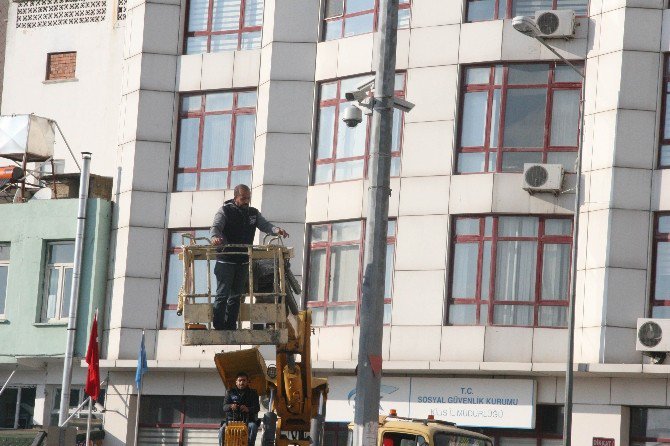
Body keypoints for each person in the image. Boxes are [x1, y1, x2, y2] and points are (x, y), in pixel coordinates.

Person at [210, 184, 289, 330]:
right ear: (235, 198)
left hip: (243, 260)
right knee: (222, 294)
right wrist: (215, 237)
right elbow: (216, 227)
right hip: (226, 260)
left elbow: (265, 225)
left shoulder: (252, 213)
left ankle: (230, 325)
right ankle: (218, 325)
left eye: (248, 198)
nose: (246, 201)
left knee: (236, 296)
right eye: (243, 198)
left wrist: (277, 230)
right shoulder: (225, 211)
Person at [219, 372, 260, 446]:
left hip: (248, 421)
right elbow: (224, 407)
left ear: (247, 381)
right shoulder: (230, 392)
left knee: (253, 427)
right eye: (240, 380)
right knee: (222, 429)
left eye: (244, 380)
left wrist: (248, 409)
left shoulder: (253, 393)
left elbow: (257, 408)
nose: (242, 382)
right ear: (236, 382)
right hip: (231, 421)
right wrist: (231, 406)